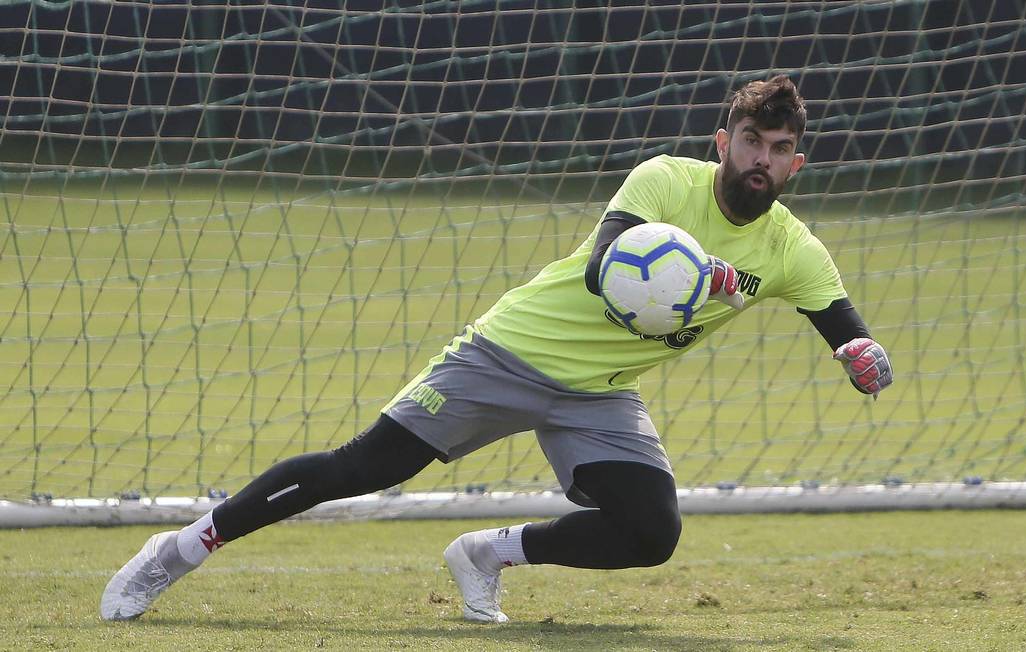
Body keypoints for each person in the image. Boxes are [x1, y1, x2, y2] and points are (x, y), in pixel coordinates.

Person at [100, 75, 892, 624]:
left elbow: (846, 328)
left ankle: (487, 554)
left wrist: (864, 357)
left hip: (601, 393)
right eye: (750, 140)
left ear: (796, 162)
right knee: (363, 468)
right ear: (724, 140)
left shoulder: (793, 249)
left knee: (652, 533)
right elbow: (602, 262)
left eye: (777, 147)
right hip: (508, 352)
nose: (760, 159)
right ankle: (180, 550)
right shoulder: (664, 181)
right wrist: (700, 272)